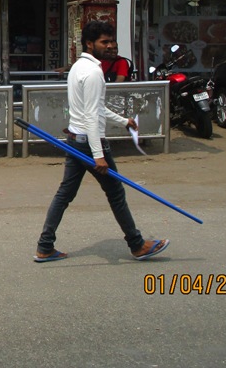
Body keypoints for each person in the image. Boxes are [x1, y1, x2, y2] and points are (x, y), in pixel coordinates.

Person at [35, 20, 169, 263]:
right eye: (104, 42)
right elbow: (91, 116)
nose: (111, 46)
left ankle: (45, 247)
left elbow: (94, 108)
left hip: (75, 140)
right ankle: (137, 245)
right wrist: (98, 154)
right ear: (89, 43)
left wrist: (123, 121)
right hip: (88, 142)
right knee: (116, 194)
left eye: (112, 41)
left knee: (64, 194)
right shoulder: (94, 72)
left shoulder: (77, 67)